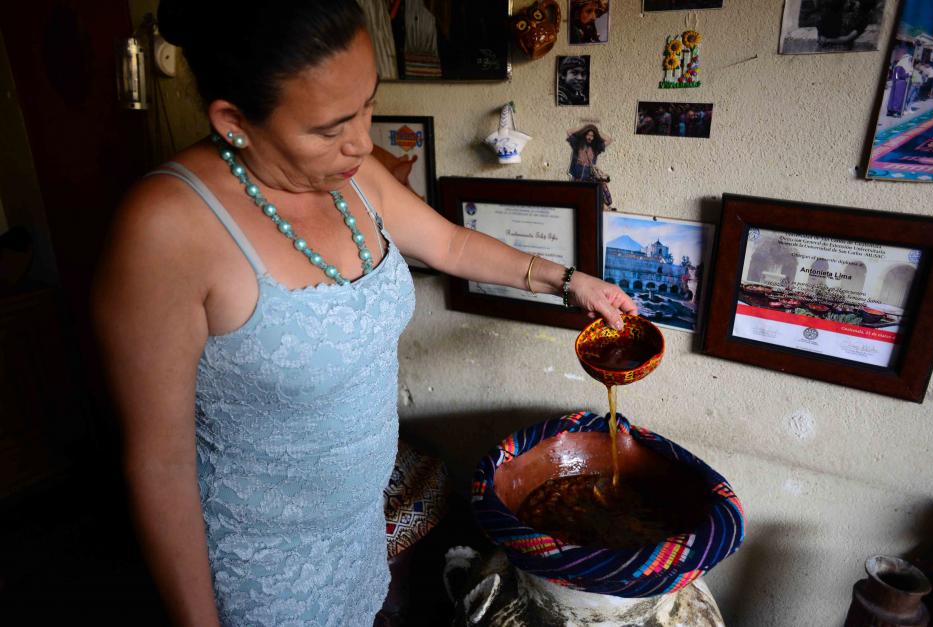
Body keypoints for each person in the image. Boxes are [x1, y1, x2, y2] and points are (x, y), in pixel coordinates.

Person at [91, 2, 637, 626]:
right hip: (258, 569)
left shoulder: (353, 177)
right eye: (329, 127)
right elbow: (159, 466)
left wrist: (569, 282)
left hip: (357, 533)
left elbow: (451, 245)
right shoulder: (166, 230)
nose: (360, 140)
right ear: (234, 121)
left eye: (367, 105)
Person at [567, 124, 613, 208]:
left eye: (592, 136)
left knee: (598, 202)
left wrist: (595, 129)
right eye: (588, 134)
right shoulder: (577, 145)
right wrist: (585, 127)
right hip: (576, 180)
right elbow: (569, 132)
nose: (589, 137)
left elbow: (609, 140)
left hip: (589, 181)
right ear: (584, 135)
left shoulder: (596, 148)